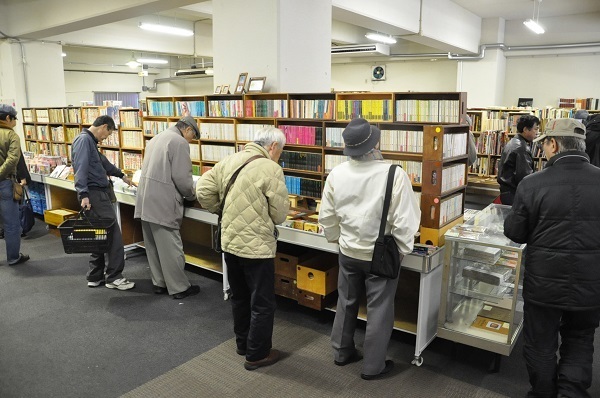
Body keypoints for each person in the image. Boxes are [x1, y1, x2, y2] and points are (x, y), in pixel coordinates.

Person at [504, 118, 600, 398]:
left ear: (553, 144)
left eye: (544, 143)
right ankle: (571, 393)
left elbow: (516, 232)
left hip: (543, 283)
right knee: (581, 340)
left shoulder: (532, 184)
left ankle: (543, 392)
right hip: (591, 282)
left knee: (540, 344)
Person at [319, 118, 421, 380]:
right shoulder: (393, 173)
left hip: (348, 251)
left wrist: (338, 240)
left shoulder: (336, 173)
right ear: (375, 143)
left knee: (346, 301)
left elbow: (327, 218)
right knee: (380, 309)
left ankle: (342, 352)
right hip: (380, 255)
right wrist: (401, 251)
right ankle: (373, 367)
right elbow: (405, 221)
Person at [197, 126, 289, 371]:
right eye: (281, 150)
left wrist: (222, 210)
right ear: (272, 147)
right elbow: (280, 215)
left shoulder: (229, 160)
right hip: (257, 246)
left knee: (239, 295)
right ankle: (257, 354)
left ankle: (243, 344)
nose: (280, 155)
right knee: (262, 301)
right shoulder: (271, 168)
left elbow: (202, 190)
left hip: (230, 241)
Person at [134, 116, 200, 299]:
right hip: (162, 201)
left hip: (146, 199)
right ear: (187, 130)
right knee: (171, 247)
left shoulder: (157, 138)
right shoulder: (178, 142)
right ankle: (179, 287)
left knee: (153, 245)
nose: (191, 140)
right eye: (193, 136)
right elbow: (182, 177)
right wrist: (190, 195)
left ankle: (159, 283)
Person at [71, 115, 135, 290]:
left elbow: (102, 163)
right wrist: (83, 194)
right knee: (113, 235)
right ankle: (114, 277)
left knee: (98, 234)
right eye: (107, 134)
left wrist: (121, 175)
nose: (105, 138)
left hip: (92, 194)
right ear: (104, 127)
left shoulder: (88, 141)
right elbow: (81, 167)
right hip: (94, 195)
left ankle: (95, 275)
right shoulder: (84, 140)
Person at [0, 104, 29, 264]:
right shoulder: (11, 135)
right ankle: (13, 258)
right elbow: (12, 160)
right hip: (4, 183)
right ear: (7, 118)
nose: (15, 122)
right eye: (14, 119)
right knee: (11, 224)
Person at [496, 114, 540, 205]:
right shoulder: (521, 148)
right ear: (525, 129)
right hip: (514, 194)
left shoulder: (513, 142)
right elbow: (525, 177)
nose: (537, 132)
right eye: (535, 129)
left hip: (507, 192)